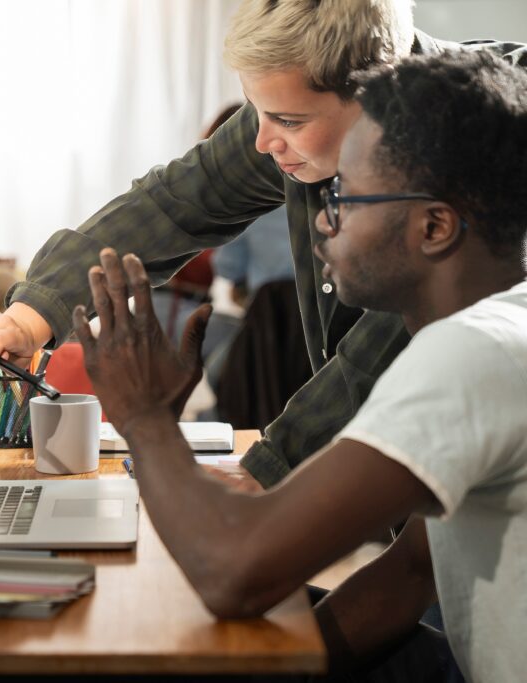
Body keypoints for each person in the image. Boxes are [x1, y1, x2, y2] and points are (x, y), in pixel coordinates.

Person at [76, 51, 527, 681]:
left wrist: (144, 418)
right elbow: (409, 573)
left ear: (433, 227)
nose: (321, 219)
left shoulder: (474, 353)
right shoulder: (496, 329)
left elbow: (234, 571)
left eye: (345, 196)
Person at [0, 0, 527, 489]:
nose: (262, 141)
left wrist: (269, 469)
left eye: (288, 120)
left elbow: (387, 346)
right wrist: (30, 316)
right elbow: (175, 201)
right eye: (257, 112)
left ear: (378, 92)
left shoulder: (493, 133)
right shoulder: (310, 110)